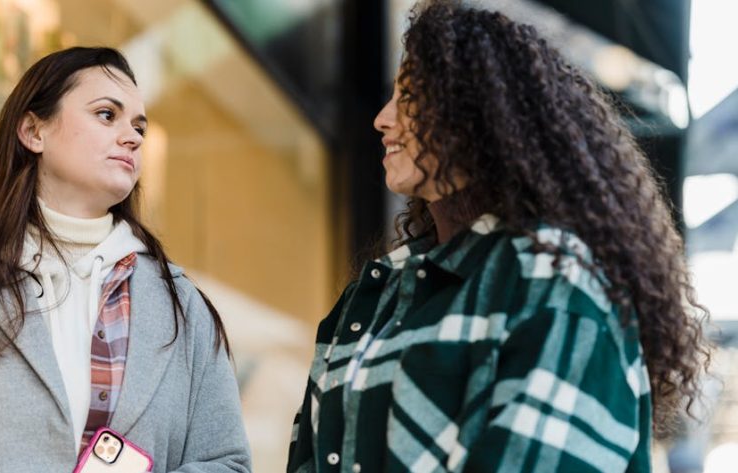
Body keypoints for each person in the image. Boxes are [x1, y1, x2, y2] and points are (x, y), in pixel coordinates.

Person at [287, 2, 709, 472]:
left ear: (481, 113)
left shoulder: (556, 282)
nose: (383, 119)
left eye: (410, 97)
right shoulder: (369, 299)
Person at [0, 47, 250, 473]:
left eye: (139, 126)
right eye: (107, 114)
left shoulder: (184, 307)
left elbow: (226, 462)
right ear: (33, 131)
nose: (133, 137)